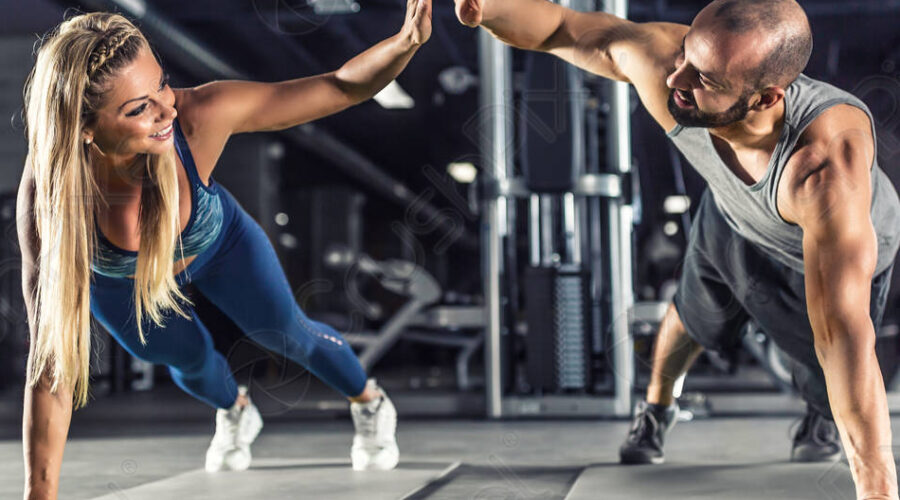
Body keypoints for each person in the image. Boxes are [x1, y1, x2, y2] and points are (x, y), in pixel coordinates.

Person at [453, 0, 900, 498]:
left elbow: (841, 336)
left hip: (817, 244)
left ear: (765, 98)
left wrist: (878, 493)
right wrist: (488, 9)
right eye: (686, 55)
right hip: (731, 213)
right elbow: (562, 27)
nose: (675, 80)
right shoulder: (670, 66)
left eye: (704, 79)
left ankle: (818, 416)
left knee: (829, 369)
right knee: (689, 316)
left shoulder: (822, 171)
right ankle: (656, 411)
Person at [18, 3, 430, 498]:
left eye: (162, 84)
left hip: (219, 244)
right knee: (189, 360)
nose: (167, 108)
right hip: (119, 282)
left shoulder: (197, 119)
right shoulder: (51, 202)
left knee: (286, 334)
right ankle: (235, 411)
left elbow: (341, 86)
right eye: (138, 109)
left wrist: (403, 44)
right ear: (85, 128)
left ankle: (369, 400)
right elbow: (51, 366)